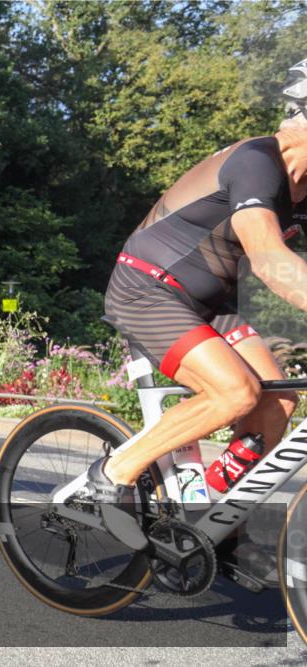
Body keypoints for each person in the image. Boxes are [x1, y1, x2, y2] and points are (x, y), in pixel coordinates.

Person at [93, 59, 307, 547]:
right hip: (146, 287)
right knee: (236, 393)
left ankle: (210, 514)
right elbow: (270, 258)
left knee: (278, 401)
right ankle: (114, 472)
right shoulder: (259, 163)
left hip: (207, 302)